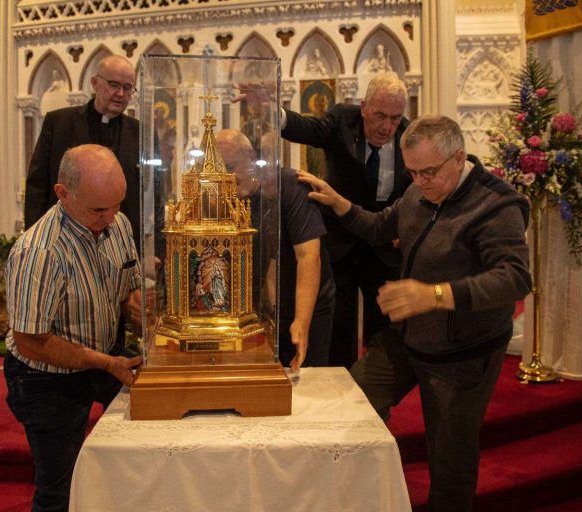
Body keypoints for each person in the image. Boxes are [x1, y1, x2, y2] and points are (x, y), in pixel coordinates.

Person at [297, 115, 532, 512]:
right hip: (408, 337)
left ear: (458, 158)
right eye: (411, 172)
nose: (420, 182)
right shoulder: (420, 192)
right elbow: (379, 226)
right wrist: (340, 204)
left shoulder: (496, 205)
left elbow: (514, 279)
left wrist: (436, 295)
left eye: (429, 172)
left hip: (464, 353)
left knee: (450, 458)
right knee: (353, 398)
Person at [4, 144, 146, 511]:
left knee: (140, 446)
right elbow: (32, 342)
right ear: (62, 194)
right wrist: (107, 363)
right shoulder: (40, 252)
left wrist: (150, 321)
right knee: (59, 490)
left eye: (118, 204)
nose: (111, 217)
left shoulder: (117, 224)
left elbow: (128, 293)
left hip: (103, 357)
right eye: (99, 209)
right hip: (45, 377)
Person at [281, 71, 412, 368]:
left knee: (384, 330)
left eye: (395, 118)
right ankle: (339, 392)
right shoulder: (342, 120)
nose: (387, 126)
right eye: (379, 116)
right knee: (339, 325)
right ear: (364, 106)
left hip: (383, 246)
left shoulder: (409, 136)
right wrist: (272, 112)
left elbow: (419, 190)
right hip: (340, 243)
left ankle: (376, 394)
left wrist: (408, 229)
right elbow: (306, 128)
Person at [216, 129, 335, 370]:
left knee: (305, 387)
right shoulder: (222, 199)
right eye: (217, 173)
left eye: (229, 168)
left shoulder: (290, 186)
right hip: (256, 316)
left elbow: (308, 256)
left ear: (250, 157)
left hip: (304, 308)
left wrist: (301, 322)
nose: (224, 179)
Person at [24, 55, 140, 248]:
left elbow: (149, 195)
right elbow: (37, 186)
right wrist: (34, 240)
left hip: (119, 243)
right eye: (113, 85)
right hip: (63, 240)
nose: (120, 93)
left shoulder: (140, 133)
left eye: (127, 87)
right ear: (95, 83)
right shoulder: (59, 124)